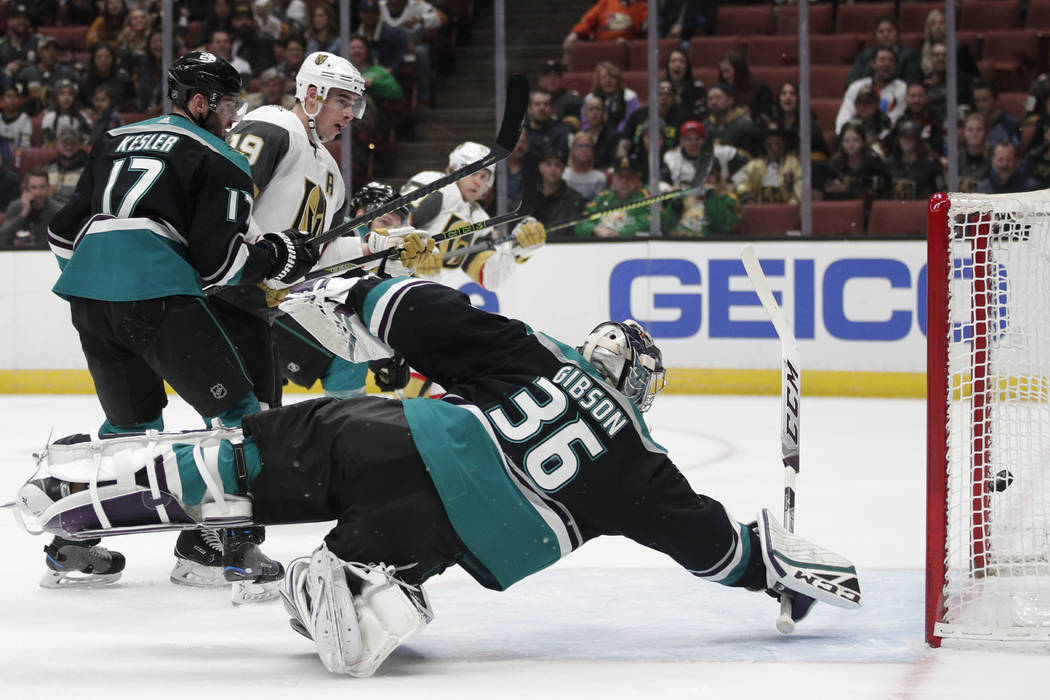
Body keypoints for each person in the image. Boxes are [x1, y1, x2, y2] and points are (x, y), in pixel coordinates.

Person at [18, 274, 863, 678]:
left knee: (242, 458)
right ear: (644, 385)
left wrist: (357, 289)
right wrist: (773, 570)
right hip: (452, 526)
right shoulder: (645, 467)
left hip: (396, 435)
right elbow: (712, 548)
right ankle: (363, 582)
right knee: (404, 557)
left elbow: (423, 314)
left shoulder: (542, 354)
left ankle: (80, 493)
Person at [42, 51, 317, 595]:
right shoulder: (220, 158)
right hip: (159, 297)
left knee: (129, 429)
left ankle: (69, 541)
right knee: (239, 416)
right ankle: (228, 552)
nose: (236, 117)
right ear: (200, 102)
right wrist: (278, 256)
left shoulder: (113, 139)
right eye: (231, 103)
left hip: (88, 299)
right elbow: (221, 266)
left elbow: (60, 231)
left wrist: (104, 275)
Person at [574, 153, 673, 238]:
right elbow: (580, 223)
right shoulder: (603, 197)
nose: (624, 180)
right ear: (613, 177)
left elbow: (649, 224)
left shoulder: (647, 197)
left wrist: (616, 234)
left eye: (629, 176)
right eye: (620, 176)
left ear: (638, 177)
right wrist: (595, 229)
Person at [836, 48, 907, 136]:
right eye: (882, 60)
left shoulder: (902, 88)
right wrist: (843, 135)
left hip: (888, 139)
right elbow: (845, 116)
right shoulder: (857, 86)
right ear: (873, 63)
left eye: (891, 60)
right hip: (857, 137)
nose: (887, 64)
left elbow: (895, 119)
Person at [819, 122, 889, 203]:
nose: (850, 145)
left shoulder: (873, 163)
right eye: (846, 141)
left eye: (855, 141)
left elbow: (877, 191)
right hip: (841, 205)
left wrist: (846, 189)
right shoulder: (836, 162)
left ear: (863, 142)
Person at [845, 16, 922, 88]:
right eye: (881, 32)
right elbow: (850, 81)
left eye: (889, 31)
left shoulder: (909, 55)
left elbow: (913, 84)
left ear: (898, 34)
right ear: (876, 35)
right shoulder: (866, 55)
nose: (885, 35)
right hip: (868, 96)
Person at [735, 122, 802, 205]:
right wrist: (747, 197)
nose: (775, 149)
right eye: (770, 145)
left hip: (787, 210)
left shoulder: (793, 164)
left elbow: (800, 186)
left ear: (784, 145)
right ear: (764, 145)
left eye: (778, 145)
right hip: (759, 210)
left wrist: (792, 205)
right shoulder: (754, 165)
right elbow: (740, 183)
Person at [882, 120, 943, 201]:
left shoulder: (931, 165)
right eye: (904, 137)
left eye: (911, 137)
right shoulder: (889, 164)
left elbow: (939, 193)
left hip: (921, 210)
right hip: (895, 210)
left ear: (918, 140)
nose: (907, 140)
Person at [0, 168, 59, 249]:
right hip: (16, 256)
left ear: (48, 188)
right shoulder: (15, 207)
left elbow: (58, 244)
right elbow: (2, 239)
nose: (38, 192)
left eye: (42, 187)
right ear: (26, 189)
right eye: (34, 187)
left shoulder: (57, 211)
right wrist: (23, 215)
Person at [771, 81, 829, 160]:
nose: (788, 97)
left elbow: (821, 152)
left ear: (799, 98)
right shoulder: (773, 124)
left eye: (792, 94)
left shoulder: (810, 125)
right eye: (784, 94)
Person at [532, 147, 584, 229]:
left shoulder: (574, 199)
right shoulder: (529, 196)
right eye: (548, 164)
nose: (553, 169)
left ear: (563, 169)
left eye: (558, 165)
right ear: (540, 167)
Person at [581, 61, 640, 134]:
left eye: (612, 77)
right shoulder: (590, 99)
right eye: (604, 78)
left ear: (618, 80)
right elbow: (585, 124)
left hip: (622, 136)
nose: (608, 81)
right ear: (598, 81)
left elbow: (631, 121)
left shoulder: (629, 97)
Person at [702, 83, 759, 156]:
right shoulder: (705, 125)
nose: (714, 102)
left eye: (718, 97)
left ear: (730, 100)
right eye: (710, 98)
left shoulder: (745, 125)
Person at [717, 51, 773, 123]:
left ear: (739, 71)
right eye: (722, 72)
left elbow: (767, 116)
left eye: (727, 71)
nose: (724, 76)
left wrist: (752, 115)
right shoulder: (719, 91)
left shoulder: (760, 90)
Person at [563, 0, 647, 48]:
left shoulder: (642, 6)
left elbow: (645, 32)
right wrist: (575, 33)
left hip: (627, 48)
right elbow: (587, 21)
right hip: (603, 48)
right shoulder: (606, 2)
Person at [40, 80, 93, 147]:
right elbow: (48, 144)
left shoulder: (83, 117)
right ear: (56, 97)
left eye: (70, 94)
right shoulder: (49, 118)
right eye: (62, 93)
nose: (66, 98)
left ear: (74, 97)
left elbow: (87, 144)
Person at [525, 89, 572, 161]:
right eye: (537, 104)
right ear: (529, 109)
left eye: (546, 104)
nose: (542, 108)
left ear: (552, 109)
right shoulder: (522, 132)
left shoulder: (561, 132)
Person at [562, 130, 608, 203]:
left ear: (592, 150)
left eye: (587, 146)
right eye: (580, 146)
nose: (584, 150)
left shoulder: (600, 178)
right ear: (573, 149)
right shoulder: (563, 174)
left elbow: (597, 204)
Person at [973, 80, 1021, 149]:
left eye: (985, 100)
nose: (980, 105)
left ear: (996, 100)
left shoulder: (1011, 125)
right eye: (977, 101)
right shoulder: (973, 124)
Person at [46, 127, 88, 205]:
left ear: (78, 145)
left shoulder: (86, 169)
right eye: (65, 143)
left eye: (72, 144)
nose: (68, 147)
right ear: (58, 144)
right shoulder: (50, 167)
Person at [580, 93, 620, 170]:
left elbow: (614, 163)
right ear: (585, 113)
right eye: (591, 109)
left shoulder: (614, 137)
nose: (595, 113)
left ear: (604, 113)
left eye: (598, 109)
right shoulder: (581, 136)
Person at [664, 48, 705, 121]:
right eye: (673, 61)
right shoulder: (663, 88)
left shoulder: (697, 88)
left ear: (687, 67)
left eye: (681, 61)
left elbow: (701, 114)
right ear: (668, 66)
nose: (677, 64)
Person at [537, 59, 583, 125]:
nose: (552, 79)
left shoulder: (573, 101)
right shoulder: (533, 101)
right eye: (547, 75)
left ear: (562, 79)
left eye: (556, 75)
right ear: (540, 80)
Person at [959, 112, 991, 193]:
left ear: (986, 132)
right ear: (964, 132)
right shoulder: (957, 158)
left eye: (979, 130)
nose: (974, 134)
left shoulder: (994, 158)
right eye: (970, 130)